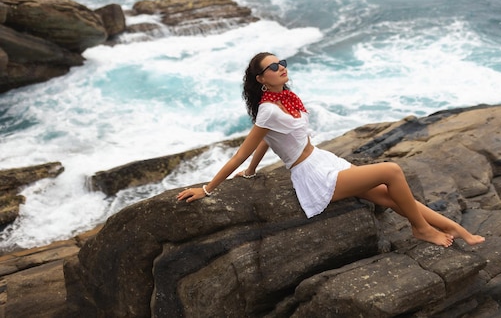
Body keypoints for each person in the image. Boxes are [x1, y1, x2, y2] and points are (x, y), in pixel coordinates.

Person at [177, 52, 485, 247]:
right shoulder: (268, 109)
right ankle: (421, 229)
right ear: (261, 79)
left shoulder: (286, 98)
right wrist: (207, 189)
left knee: (389, 195)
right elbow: (243, 150)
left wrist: (253, 171)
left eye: (282, 62)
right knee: (392, 170)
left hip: (325, 161)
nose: (282, 67)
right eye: (273, 66)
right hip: (313, 176)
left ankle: (455, 228)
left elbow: (266, 141)